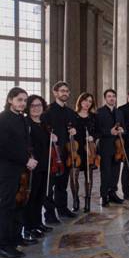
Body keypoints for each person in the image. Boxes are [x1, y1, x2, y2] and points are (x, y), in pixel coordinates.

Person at [0, 87, 38, 258]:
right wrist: (25, 160)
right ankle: (3, 244)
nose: (22, 103)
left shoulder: (22, 119)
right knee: (6, 206)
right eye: (19, 100)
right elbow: (4, 147)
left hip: (22, 169)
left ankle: (16, 237)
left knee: (19, 204)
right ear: (10, 100)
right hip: (7, 170)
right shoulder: (3, 119)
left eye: (24, 100)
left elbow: (25, 143)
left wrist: (31, 157)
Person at [41, 81, 77, 221]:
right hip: (52, 155)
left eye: (67, 91)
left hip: (66, 153)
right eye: (62, 91)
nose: (65, 93)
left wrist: (74, 130)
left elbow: (73, 128)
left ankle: (62, 209)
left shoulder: (70, 112)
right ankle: (49, 215)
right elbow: (42, 130)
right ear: (55, 92)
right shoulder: (47, 111)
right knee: (50, 186)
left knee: (62, 184)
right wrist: (48, 135)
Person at [23, 95, 54, 241]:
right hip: (32, 167)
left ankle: (38, 223)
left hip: (44, 165)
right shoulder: (26, 123)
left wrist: (53, 137)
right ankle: (29, 228)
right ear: (28, 108)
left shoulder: (43, 123)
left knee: (41, 196)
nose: (36, 108)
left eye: (39, 105)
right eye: (33, 106)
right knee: (31, 198)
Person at [95, 89, 125, 207]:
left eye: (113, 96)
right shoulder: (99, 112)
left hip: (118, 147)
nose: (112, 98)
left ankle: (113, 194)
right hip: (105, 147)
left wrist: (123, 130)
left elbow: (123, 127)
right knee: (106, 173)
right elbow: (96, 131)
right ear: (105, 98)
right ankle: (104, 196)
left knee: (115, 172)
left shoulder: (119, 112)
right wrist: (109, 132)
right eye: (109, 96)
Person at [73, 93, 97, 212]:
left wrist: (93, 137)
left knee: (89, 176)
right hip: (75, 150)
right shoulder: (73, 116)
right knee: (74, 176)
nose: (87, 103)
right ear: (80, 101)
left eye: (90, 101)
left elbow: (99, 131)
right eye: (85, 100)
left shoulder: (93, 117)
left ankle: (87, 201)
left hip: (89, 150)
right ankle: (75, 200)